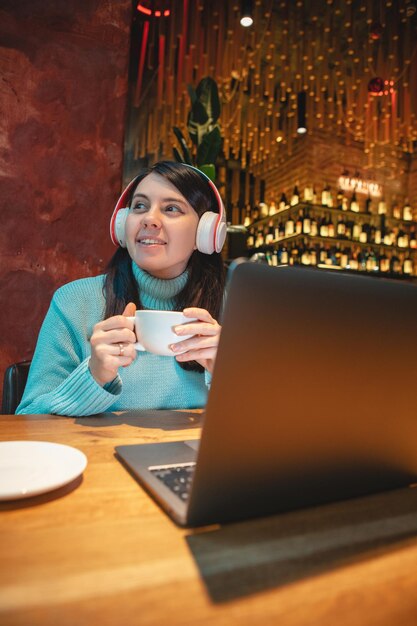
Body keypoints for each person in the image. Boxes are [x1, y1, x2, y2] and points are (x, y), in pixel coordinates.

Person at [16, 161, 226, 416]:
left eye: (171, 208)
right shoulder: (74, 302)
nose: (149, 219)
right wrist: (93, 376)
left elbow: (271, 424)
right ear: (122, 224)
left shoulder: (234, 311)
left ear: (207, 233)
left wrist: (229, 377)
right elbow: (29, 420)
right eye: (140, 206)